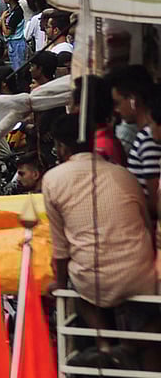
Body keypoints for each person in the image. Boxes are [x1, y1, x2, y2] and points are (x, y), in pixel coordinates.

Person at [43, 114, 156, 363]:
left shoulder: (53, 179)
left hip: (93, 281)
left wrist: (59, 285)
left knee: (78, 286)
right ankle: (126, 346)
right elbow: (145, 225)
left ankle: (104, 343)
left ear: (61, 147)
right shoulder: (122, 174)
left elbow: (61, 251)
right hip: (141, 272)